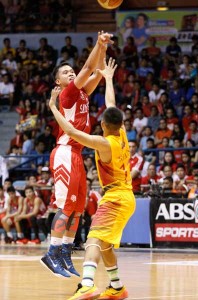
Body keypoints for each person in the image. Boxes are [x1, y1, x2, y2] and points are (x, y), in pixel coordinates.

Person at [49, 57, 135, 299]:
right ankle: (117, 287)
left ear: (105, 125)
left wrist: (54, 107)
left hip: (116, 197)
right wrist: (107, 78)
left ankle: (86, 284)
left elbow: (71, 131)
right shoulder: (122, 134)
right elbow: (111, 104)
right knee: (106, 244)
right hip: (127, 196)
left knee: (94, 241)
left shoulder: (102, 142)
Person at [40, 31, 113, 279]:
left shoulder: (82, 93)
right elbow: (88, 66)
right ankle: (51, 252)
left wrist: (102, 50)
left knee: (78, 209)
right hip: (64, 152)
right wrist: (98, 44)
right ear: (58, 82)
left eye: (71, 70)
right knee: (66, 207)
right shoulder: (67, 94)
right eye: (65, 72)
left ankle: (65, 253)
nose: (70, 72)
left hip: (77, 153)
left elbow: (97, 72)